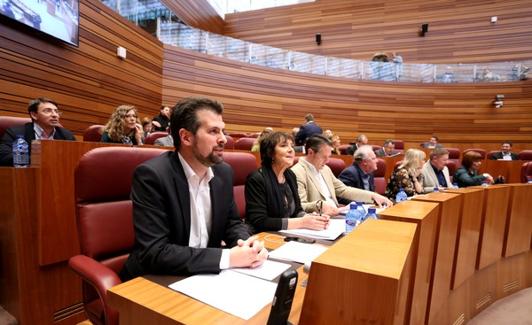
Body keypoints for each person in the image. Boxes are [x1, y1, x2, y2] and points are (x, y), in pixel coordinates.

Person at [120, 97, 267, 281]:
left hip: (204, 275)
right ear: (186, 137)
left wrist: (246, 244)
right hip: (155, 278)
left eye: (223, 130)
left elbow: (232, 223)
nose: (223, 138)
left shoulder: (223, 173)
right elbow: (154, 252)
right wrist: (228, 257)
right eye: (213, 131)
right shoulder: (152, 176)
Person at [245, 132, 330, 232]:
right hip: (263, 236)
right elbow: (259, 221)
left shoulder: (290, 175)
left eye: (292, 146)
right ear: (270, 153)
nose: (291, 150)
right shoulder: (257, 179)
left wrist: (311, 218)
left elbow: (297, 210)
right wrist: (302, 222)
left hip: (288, 233)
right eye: (284, 146)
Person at [291, 135, 392, 217]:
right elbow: (300, 206)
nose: (328, 161)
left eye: (329, 157)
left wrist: (373, 196)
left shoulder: (325, 169)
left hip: (338, 215)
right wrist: (320, 205)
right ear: (310, 152)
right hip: (319, 220)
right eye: (324, 157)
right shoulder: (297, 172)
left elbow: (344, 190)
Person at [0, 97, 75, 166]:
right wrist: (41, 161)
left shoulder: (66, 135)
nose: (55, 115)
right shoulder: (16, 132)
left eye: (56, 111)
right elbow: (4, 156)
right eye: (48, 111)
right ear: (34, 115)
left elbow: (76, 157)